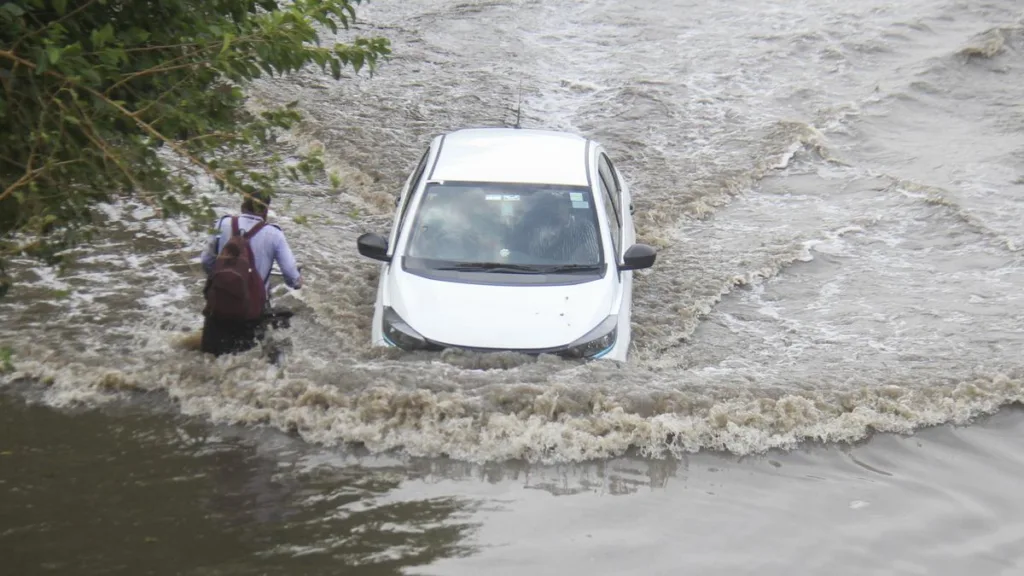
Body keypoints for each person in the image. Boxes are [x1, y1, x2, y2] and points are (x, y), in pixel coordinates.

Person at [198, 190, 303, 356]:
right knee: (246, 361)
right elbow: (292, 277)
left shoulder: (222, 224)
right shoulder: (274, 234)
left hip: (218, 307)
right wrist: (298, 281)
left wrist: (224, 281)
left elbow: (206, 261)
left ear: (242, 205)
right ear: (266, 211)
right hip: (251, 313)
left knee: (208, 358)